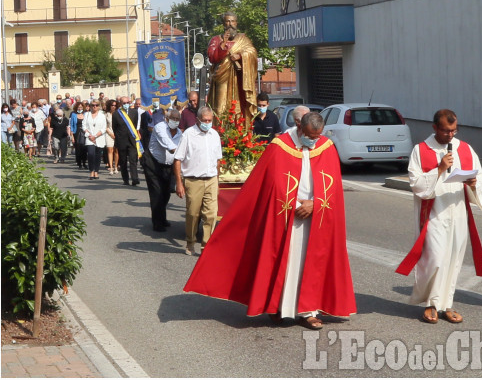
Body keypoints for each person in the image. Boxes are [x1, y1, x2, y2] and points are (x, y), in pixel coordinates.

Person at [184, 111, 356, 329]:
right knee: (286, 260)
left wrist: (316, 203)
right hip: (286, 214)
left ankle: (307, 310)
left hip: (316, 214)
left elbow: (333, 186)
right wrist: (294, 205)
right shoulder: (279, 146)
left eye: (318, 136)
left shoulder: (326, 146)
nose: (314, 141)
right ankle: (280, 307)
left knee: (311, 262)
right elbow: (270, 184)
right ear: (300, 128)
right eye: (311, 136)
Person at [396, 109, 482, 324]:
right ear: (435, 128)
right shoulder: (420, 150)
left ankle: (446, 304)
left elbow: (479, 175)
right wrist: (439, 169)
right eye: (446, 131)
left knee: (454, 259)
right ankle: (431, 303)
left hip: (458, 211)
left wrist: (474, 184)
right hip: (434, 213)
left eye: (454, 130)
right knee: (436, 258)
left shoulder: (465, 148)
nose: (450, 135)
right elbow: (416, 184)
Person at [173, 107, 223, 255]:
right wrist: (179, 182)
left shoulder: (214, 134)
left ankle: (206, 245)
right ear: (198, 120)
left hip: (211, 179)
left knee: (211, 214)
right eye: (205, 120)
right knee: (193, 214)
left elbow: (218, 160)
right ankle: (190, 241)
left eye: (210, 120)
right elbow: (177, 159)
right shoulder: (189, 134)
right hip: (193, 180)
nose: (207, 123)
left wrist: (217, 180)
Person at [207, 11, 258, 124]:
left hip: (239, 77)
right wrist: (222, 45)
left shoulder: (243, 39)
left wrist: (240, 56)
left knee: (238, 106)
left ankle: (237, 133)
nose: (230, 24)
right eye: (227, 21)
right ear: (223, 24)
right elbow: (212, 57)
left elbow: (252, 52)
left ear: (236, 23)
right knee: (220, 107)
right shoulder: (216, 40)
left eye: (232, 21)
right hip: (222, 77)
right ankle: (220, 132)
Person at [143, 109, 182, 232]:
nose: (175, 121)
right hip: (153, 163)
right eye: (173, 119)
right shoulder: (160, 127)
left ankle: (162, 217)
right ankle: (157, 222)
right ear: (166, 119)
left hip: (168, 166)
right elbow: (168, 144)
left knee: (166, 193)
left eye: (177, 119)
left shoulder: (180, 133)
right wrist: (179, 152)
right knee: (157, 192)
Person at [112, 96, 142, 186]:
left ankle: (135, 178)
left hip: (132, 140)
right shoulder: (116, 114)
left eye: (127, 103)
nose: (126, 105)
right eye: (124, 103)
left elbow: (135, 124)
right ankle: (125, 179)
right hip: (122, 140)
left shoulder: (134, 112)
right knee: (123, 161)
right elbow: (114, 128)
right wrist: (118, 138)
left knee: (133, 159)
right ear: (120, 104)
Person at [83, 100, 107, 180]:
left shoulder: (102, 115)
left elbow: (104, 128)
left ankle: (96, 171)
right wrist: (90, 136)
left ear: (99, 106)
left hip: (99, 138)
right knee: (90, 154)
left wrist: (95, 136)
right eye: (93, 105)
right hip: (89, 138)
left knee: (98, 155)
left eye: (96, 105)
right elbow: (84, 126)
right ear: (90, 106)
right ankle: (91, 170)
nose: (94, 107)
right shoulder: (87, 114)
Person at [69, 102, 88, 169]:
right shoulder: (73, 115)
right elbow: (71, 126)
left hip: (84, 133)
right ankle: (79, 163)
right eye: (78, 107)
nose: (80, 108)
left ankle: (84, 163)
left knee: (85, 148)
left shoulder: (86, 114)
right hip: (76, 133)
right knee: (78, 149)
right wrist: (72, 136)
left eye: (81, 107)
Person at [104, 99, 119, 174]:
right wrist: (110, 133)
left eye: (115, 105)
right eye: (112, 105)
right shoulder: (106, 114)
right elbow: (105, 126)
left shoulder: (118, 114)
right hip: (109, 133)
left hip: (117, 134)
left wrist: (116, 134)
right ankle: (111, 167)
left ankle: (116, 166)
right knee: (110, 150)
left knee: (116, 150)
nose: (114, 107)